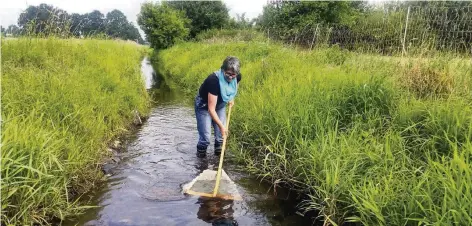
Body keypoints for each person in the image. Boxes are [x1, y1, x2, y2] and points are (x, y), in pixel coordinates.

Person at [194, 56, 241, 158]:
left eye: (233, 75)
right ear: (223, 69)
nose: (231, 77)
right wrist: (222, 127)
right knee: (205, 138)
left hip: (220, 104)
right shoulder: (213, 80)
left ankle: (217, 158)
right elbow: (211, 109)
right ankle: (201, 163)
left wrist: (231, 98)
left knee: (220, 138)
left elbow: (234, 86)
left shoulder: (237, 76)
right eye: (228, 74)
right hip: (204, 105)